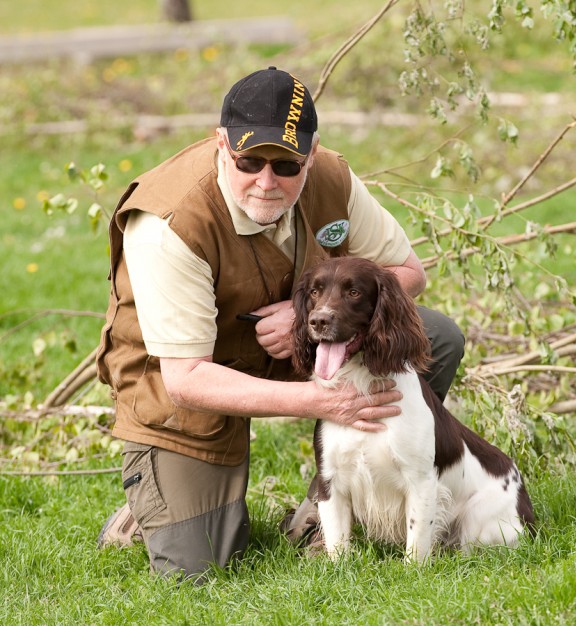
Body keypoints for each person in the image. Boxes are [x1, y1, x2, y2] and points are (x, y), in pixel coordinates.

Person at [96, 67, 464, 582]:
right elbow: (186, 378)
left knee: (437, 338)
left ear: (311, 155)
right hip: (183, 381)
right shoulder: (169, 221)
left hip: (298, 344)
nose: (267, 181)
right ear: (220, 144)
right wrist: (323, 400)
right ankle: (147, 513)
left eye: (287, 164)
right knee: (200, 565)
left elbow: (408, 273)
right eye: (249, 160)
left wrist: (299, 315)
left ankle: (323, 512)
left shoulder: (332, 178)